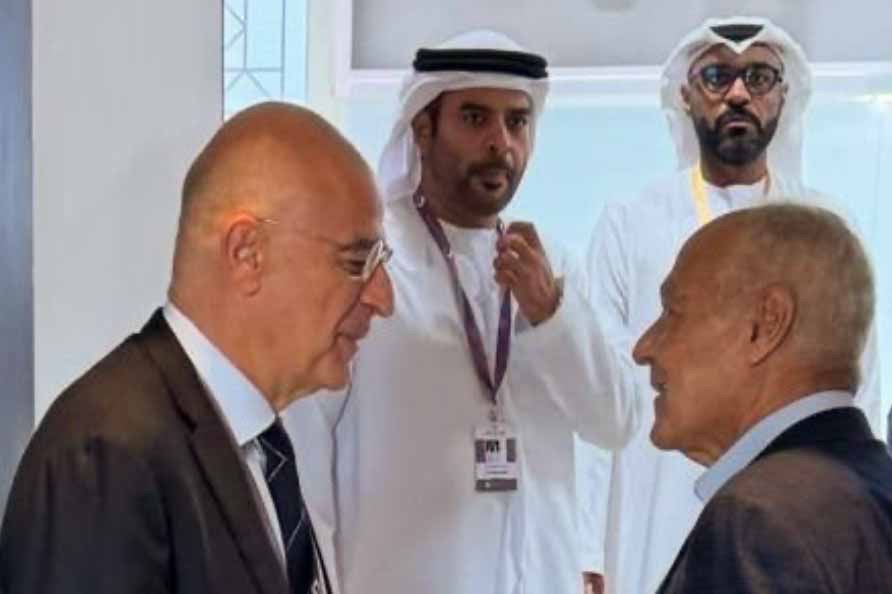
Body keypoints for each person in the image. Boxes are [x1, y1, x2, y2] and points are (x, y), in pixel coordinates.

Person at [286, 30, 639, 594]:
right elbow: (307, 447)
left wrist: (551, 314)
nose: (501, 142)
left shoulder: (552, 262)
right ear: (422, 130)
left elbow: (614, 422)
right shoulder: (368, 258)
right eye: (475, 119)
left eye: (517, 122)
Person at [0, 102, 394, 594]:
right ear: (246, 253)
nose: (384, 298)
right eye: (357, 261)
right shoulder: (107, 457)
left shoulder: (258, 443)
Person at [584, 16, 885, 594]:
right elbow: (603, 398)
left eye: (759, 76)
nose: (739, 94)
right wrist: (587, 547)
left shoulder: (827, 227)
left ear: (784, 96)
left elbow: (858, 390)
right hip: (652, 511)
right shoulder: (631, 222)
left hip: (803, 508)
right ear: (685, 95)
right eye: (718, 76)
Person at [634, 203, 892, 593]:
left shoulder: (758, 521)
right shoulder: (873, 491)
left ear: (765, 325)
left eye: (673, 311)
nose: (643, 347)